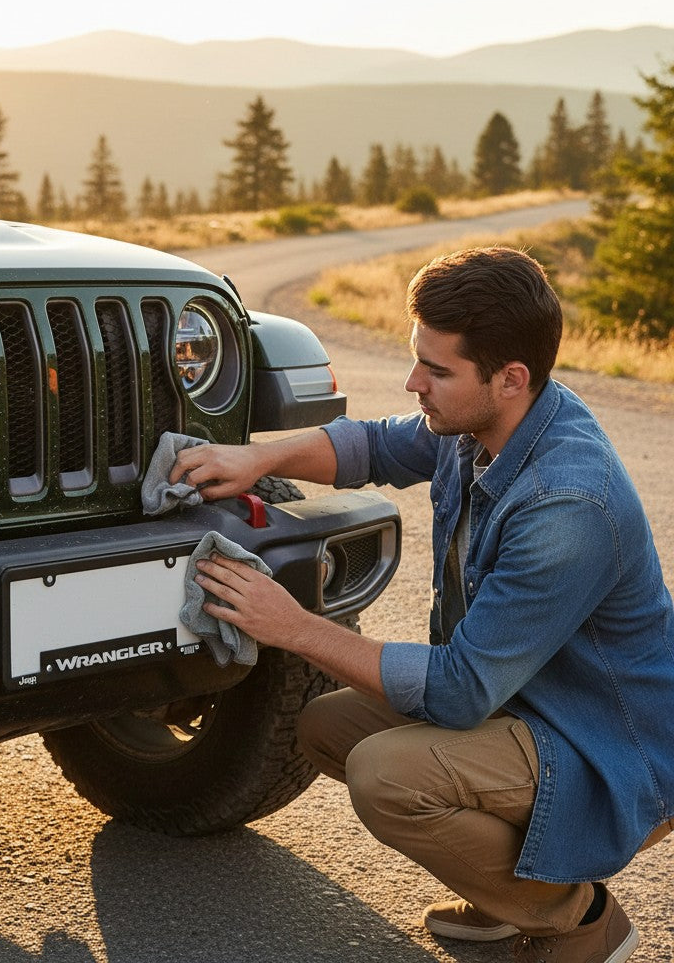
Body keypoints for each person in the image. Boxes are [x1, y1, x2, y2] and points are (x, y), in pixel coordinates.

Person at [172, 247, 674, 963]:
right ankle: (508, 900)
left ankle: (579, 920)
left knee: (389, 778)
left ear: (510, 379)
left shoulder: (568, 504)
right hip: (526, 696)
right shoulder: (487, 424)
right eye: (418, 361)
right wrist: (256, 458)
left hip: (610, 741)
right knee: (325, 726)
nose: (414, 383)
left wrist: (292, 626)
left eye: (436, 371)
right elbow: (374, 446)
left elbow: (461, 689)